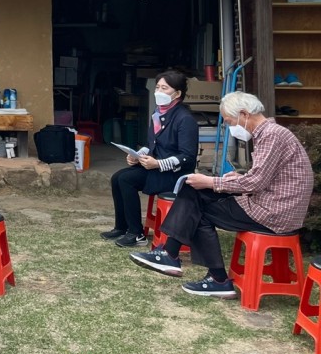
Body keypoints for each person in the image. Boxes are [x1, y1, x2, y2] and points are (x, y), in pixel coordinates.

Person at [129, 91, 313, 298]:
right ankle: (172, 255)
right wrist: (235, 177)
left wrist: (211, 181)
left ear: (244, 114)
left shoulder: (271, 135)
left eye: (229, 121)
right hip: (273, 205)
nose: (229, 127)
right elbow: (262, 177)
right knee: (195, 191)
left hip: (273, 212)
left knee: (199, 208)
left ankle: (205, 272)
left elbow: (256, 182)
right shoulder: (271, 133)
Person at [100, 70, 199, 248]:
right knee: (117, 177)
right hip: (156, 167)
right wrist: (137, 155)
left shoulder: (185, 120)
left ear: (177, 94)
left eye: (165, 88)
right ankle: (121, 227)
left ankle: (136, 234)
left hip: (175, 175)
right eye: (158, 87)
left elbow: (188, 157)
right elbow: (152, 143)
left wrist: (158, 163)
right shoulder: (158, 113)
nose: (159, 92)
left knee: (126, 179)